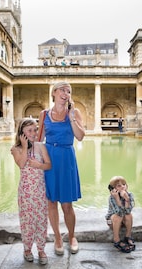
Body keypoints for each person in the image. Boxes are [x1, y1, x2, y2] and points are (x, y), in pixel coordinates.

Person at [37, 81, 85, 256]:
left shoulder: (74, 112)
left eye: (69, 91)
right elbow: (38, 139)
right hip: (49, 158)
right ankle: (57, 237)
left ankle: (72, 237)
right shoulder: (44, 114)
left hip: (66, 159)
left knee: (66, 205)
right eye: (63, 90)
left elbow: (79, 136)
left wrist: (71, 116)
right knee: (51, 202)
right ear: (54, 92)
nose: (66, 93)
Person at [11, 118, 51, 265]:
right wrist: (24, 145)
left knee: (41, 220)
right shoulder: (16, 149)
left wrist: (39, 165)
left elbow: (48, 165)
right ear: (22, 133)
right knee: (27, 221)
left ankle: (41, 249)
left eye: (35, 129)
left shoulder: (41, 146)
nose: (34, 133)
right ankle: (27, 249)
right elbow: (21, 164)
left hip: (40, 190)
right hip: (26, 192)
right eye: (30, 131)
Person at [105, 176, 135, 253]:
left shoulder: (130, 195)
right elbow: (119, 212)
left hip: (124, 219)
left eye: (124, 184)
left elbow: (128, 211)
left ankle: (127, 236)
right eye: (119, 185)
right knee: (118, 216)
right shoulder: (112, 198)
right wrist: (118, 199)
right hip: (112, 221)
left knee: (129, 215)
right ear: (113, 189)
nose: (122, 187)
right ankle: (116, 240)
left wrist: (127, 199)